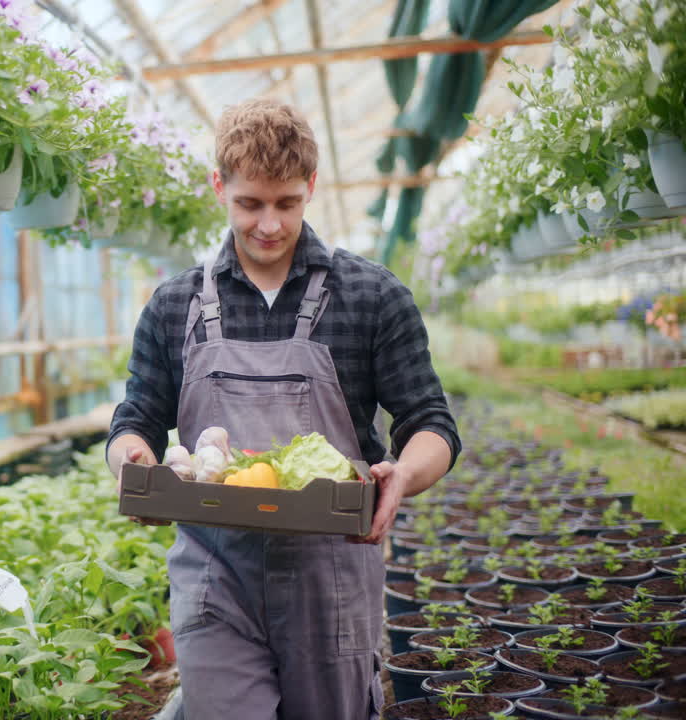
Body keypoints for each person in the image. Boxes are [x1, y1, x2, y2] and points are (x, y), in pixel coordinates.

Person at [105, 98, 460, 719]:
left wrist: (404, 473)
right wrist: (132, 463)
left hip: (331, 578)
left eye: (287, 203)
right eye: (250, 203)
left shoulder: (371, 296)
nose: (269, 224)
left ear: (311, 187)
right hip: (216, 574)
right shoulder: (175, 305)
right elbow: (135, 419)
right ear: (220, 187)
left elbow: (431, 422)